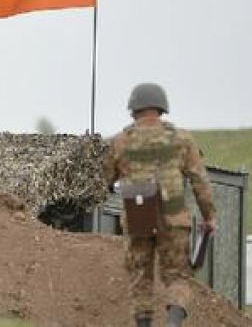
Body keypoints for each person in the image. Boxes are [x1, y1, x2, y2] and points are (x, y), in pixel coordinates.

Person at [103, 83, 217, 327]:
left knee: (140, 278)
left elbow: (105, 179)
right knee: (178, 277)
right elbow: (200, 181)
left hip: (137, 219)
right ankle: (173, 323)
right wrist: (209, 216)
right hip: (174, 220)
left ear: (133, 109)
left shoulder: (120, 142)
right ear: (162, 107)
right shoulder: (181, 139)